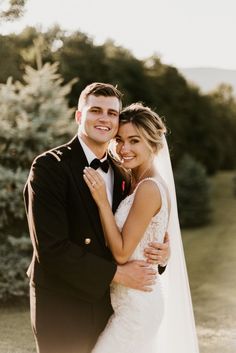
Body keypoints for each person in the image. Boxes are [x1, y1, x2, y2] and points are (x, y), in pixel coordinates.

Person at [23, 82, 170, 353]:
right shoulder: (49, 168)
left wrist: (161, 253)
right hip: (63, 304)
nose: (104, 119)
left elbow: (135, 233)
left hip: (109, 305)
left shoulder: (125, 173)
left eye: (112, 113)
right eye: (95, 110)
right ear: (80, 116)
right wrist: (117, 274)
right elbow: (52, 248)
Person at [83, 102, 200, 353]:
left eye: (134, 141)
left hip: (137, 308)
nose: (124, 148)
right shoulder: (135, 181)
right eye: (120, 140)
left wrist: (103, 203)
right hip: (129, 303)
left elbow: (123, 253)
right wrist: (163, 252)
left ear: (153, 144)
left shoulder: (148, 188)